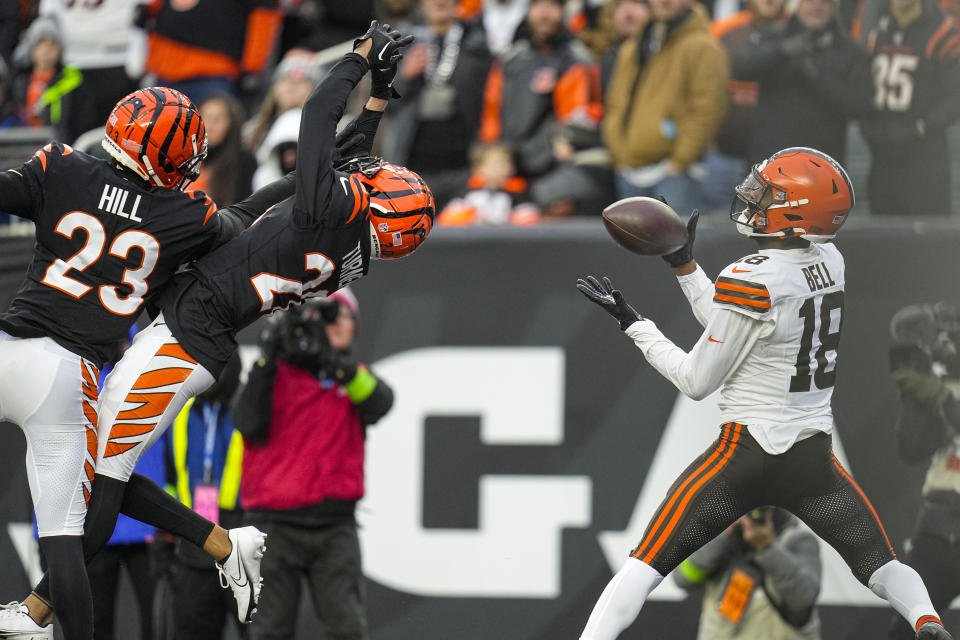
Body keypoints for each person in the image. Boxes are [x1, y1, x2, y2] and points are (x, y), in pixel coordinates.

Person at [7, 20, 428, 637]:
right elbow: (347, 153)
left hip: (186, 337)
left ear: (375, 204)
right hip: (198, 315)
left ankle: (51, 608)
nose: (369, 177)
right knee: (101, 474)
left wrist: (356, 61)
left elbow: (316, 119)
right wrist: (381, 89)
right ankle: (210, 549)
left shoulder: (327, 212)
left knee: (99, 480)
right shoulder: (347, 244)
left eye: (377, 185)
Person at [575, 146, 952, 640]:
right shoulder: (830, 261)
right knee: (880, 564)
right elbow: (739, 326)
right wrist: (685, 267)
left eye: (768, 193)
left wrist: (635, 325)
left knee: (643, 566)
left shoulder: (753, 276)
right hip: (811, 457)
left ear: (795, 213)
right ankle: (927, 619)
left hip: (745, 454)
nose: (753, 199)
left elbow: (697, 380)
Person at [0, 84, 295, 640]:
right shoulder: (185, 215)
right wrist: (302, 179)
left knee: (92, 502)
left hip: (10, 349)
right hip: (70, 380)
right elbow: (244, 215)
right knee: (67, 539)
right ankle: (48, 627)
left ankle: (223, 545)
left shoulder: (61, 166)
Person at [232, 289, 394, 640]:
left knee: (346, 629)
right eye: (320, 318)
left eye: (337, 315)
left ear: (355, 325)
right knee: (269, 631)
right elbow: (246, 422)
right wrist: (267, 357)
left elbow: (381, 403)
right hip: (272, 527)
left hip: (334, 527)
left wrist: (340, 368)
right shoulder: (272, 375)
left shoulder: (352, 377)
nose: (328, 325)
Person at [478, 0, 609, 217]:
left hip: (556, 167)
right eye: (539, 5)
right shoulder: (511, 59)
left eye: (552, 6)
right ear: (528, 10)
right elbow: (492, 112)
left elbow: (581, 115)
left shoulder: (577, 59)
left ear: (562, 11)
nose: (545, 14)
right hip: (511, 166)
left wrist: (564, 135)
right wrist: (490, 155)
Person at [602, 0, 728, 213]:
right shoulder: (634, 45)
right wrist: (618, 153)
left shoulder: (703, 46)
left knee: (674, 245)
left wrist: (680, 161)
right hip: (629, 170)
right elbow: (615, 102)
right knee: (634, 245)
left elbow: (708, 108)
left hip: (676, 175)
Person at [886, 303, 960, 639]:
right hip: (939, 526)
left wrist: (941, 397)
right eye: (943, 333)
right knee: (907, 629)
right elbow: (911, 450)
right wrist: (914, 391)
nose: (947, 341)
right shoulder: (945, 378)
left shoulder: (945, 389)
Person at [165, 355, 247, 640]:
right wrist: (164, 536)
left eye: (219, 366)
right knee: (190, 631)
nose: (210, 375)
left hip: (244, 542)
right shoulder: (181, 411)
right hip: (194, 541)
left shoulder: (250, 408)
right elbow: (170, 479)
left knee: (263, 633)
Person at [732, 0, 872, 165]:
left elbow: (859, 107)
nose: (817, 6)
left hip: (821, 167)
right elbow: (741, 68)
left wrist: (819, 77)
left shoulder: (849, 50)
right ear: (797, 4)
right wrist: (783, 51)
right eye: (810, 1)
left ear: (834, 8)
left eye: (825, 2)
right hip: (770, 162)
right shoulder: (774, 35)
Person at [383, 0, 492, 210]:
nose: (439, 1)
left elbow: (492, 101)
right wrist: (403, 77)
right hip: (412, 165)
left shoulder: (477, 44)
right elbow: (381, 104)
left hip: (465, 167)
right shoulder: (398, 42)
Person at [860, 0, 960, 216]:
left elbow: (956, 99)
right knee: (882, 237)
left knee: (926, 241)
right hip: (883, 159)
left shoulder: (942, 34)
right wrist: (869, 127)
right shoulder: (879, 33)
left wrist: (920, 127)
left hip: (925, 162)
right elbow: (862, 90)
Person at [674, 506, 823, 639]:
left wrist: (767, 549)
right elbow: (682, 579)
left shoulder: (797, 540)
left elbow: (804, 598)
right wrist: (723, 534)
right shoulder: (720, 536)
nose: (753, 514)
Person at [703, 0, 787, 212]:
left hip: (775, 160)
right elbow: (703, 86)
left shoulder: (797, 33)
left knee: (765, 230)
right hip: (725, 151)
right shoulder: (724, 29)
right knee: (717, 230)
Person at [193, 92, 257, 207]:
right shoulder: (186, 160)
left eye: (218, 119)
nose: (210, 126)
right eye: (206, 118)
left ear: (231, 124)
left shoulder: (245, 162)